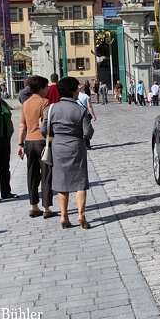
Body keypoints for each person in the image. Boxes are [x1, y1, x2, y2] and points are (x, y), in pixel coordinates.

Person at [41, 77, 93, 229]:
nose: (78, 91)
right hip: (76, 145)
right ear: (72, 91)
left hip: (58, 146)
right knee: (80, 182)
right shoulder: (80, 109)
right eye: (77, 89)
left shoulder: (52, 108)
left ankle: (64, 216)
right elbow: (88, 132)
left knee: (61, 182)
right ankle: (81, 214)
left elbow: (44, 130)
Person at [18, 75, 55, 219]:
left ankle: (33, 205)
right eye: (46, 87)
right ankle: (46, 207)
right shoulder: (44, 102)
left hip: (29, 141)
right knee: (46, 174)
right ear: (40, 88)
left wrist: (20, 144)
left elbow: (22, 126)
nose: (47, 89)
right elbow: (46, 123)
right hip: (42, 141)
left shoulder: (25, 103)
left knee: (32, 174)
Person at [77, 85, 97, 149]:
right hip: (86, 114)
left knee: (79, 129)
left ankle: (80, 144)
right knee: (86, 129)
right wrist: (93, 115)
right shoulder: (85, 96)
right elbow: (89, 106)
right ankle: (87, 145)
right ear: (82, 89)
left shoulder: (74, 96)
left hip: (77, 114)